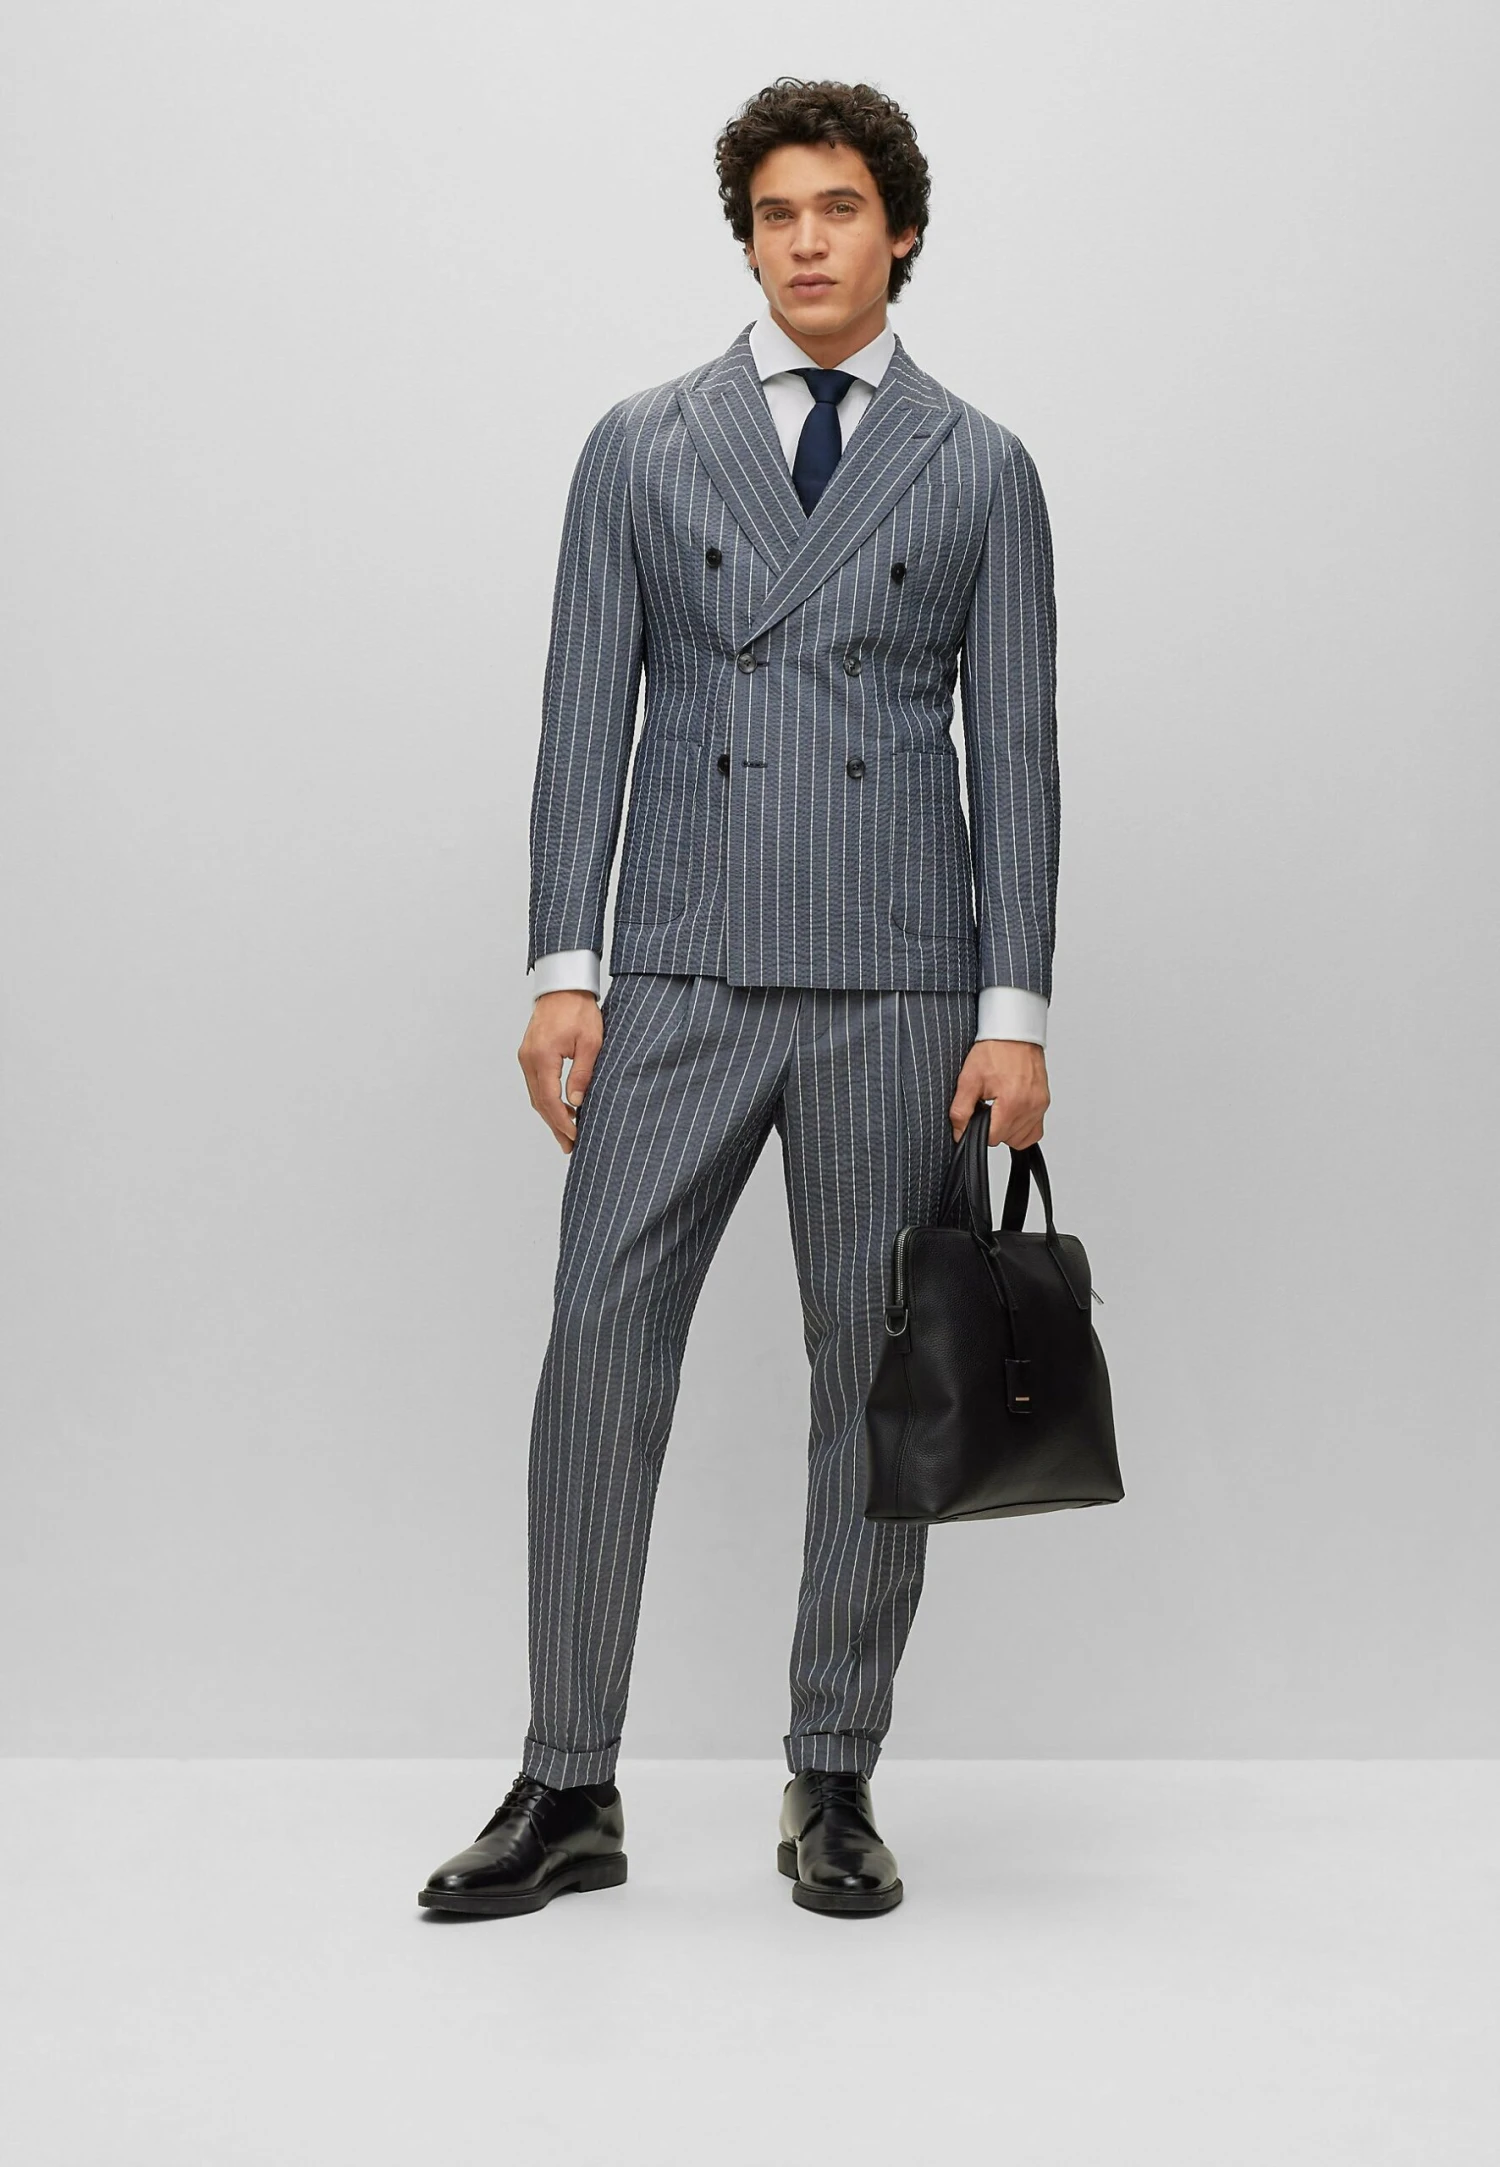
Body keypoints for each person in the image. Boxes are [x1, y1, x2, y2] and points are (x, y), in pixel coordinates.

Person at [418, 76, 1059, 1920]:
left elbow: (1015, 752)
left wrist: (1013, 1007)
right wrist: (565, 968)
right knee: (598, 1353)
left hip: (898, 980)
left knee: (869, 1379)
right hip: (683, 964)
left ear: (900, 231)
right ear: (749, 238)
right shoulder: (641, 445)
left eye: (838, 208)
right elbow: (582, 720)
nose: (805, 242)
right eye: (777, 213)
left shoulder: (981, 466)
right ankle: (567, 1780)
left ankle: (832, 1774)